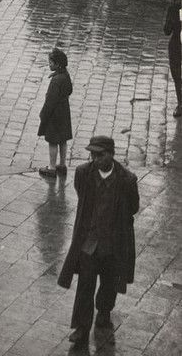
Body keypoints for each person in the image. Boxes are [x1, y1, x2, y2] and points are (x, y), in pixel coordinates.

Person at [58, 135, 139, 346]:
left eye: (100, 155)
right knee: (85, 284)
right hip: (89, 243)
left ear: (111, 155)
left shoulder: (126, 180)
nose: (96, 159)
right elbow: (81, 194)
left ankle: (104, 310)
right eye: (93, 154)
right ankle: (81, 327)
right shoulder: (83, 173)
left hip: (113, 243)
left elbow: (133, 207)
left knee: (110, 280)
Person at [38, 48, 72, 178]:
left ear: (57, 64)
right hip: (64, 111)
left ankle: (52, 167)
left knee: (52, 141)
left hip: (55, 114)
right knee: (63, 139)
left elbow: (50, 101)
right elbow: (70, 90)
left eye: (51, 62)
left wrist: (43, 115)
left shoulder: (56, 80)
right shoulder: (66, 76)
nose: (49, 64)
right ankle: (62, 165)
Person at [164, 0, 182, 117]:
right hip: (176, 44)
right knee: (176, 74)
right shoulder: (173, 8)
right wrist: (169, 22)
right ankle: (180, 103)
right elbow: (167, 31)